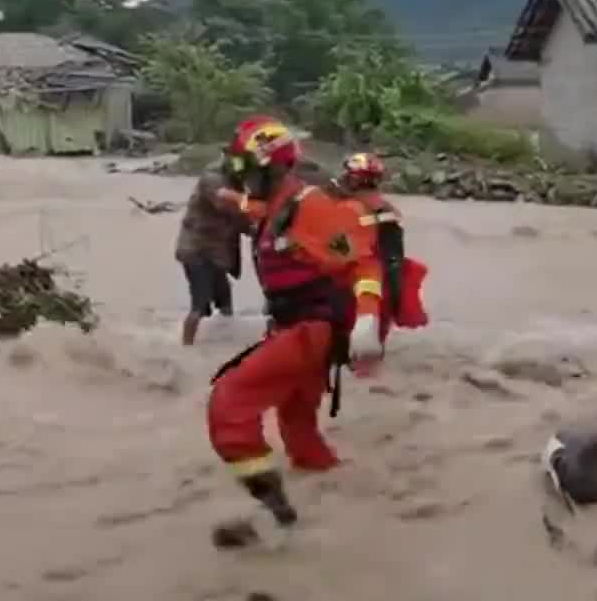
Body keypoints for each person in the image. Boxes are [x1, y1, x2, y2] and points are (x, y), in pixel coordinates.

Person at [205, 117, 403, 529]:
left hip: (310, 329)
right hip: (294, 326)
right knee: (297, 427)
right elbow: (259, 211)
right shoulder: (278, 204)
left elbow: (363, 262)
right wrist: (228, 199)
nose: (240, 180)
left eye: (244, 171)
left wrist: (368, 320)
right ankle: (339, 496)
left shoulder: (311, 206)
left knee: (228, 404)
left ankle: (276, 511)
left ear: (272, 168)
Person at [329, 152, 430, 372]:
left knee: (340, 362)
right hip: (385, 293)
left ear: (353, 180)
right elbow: (394, 256)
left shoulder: (346, 209)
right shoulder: (388, 210)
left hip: (356, 294)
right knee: (369, 362)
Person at [174, 160, 251, 345]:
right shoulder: (212, 178)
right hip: (197, 251)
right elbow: (224, 205)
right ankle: (185, 348)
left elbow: (243, 223)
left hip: (216, 254)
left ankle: (220, 343)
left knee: (225, 303)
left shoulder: (235, 183)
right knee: (199, 306)